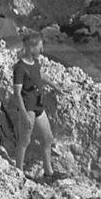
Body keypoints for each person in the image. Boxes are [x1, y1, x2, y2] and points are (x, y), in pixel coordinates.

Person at [12, 31, 66, 182]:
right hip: (28, 107)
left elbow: (39, 76)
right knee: (24, 140)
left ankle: (48, 172)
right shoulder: (19, 68)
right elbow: (17, 93)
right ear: (31, 47)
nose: (42, 50)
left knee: (48, 138)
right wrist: (23, 114)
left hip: (38, 105)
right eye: (40, 47)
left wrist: (55, 86)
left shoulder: (35, 62)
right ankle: (19, 173)